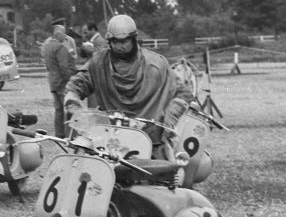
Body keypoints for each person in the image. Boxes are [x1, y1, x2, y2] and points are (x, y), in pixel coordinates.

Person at [64, 14, 193, 146]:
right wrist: (76, 110)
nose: (119, 46)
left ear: (133, 39)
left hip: (150, 140)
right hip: (110, 139)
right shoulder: (98, 63)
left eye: (124, 41)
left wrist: (170, 118)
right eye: (114, 42)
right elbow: (74, 87)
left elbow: (184, 93)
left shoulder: (156, 65)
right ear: (109, 41)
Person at [41, 20, 75, 137]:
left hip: (53, 82)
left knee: (58, 110)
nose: (65, 36)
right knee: (69, 109)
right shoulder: (60, 47)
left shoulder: (47, 47)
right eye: (63, 33)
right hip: (62, 83)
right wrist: (70, 80)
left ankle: (59, 133)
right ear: (58, 34)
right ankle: (69, 134)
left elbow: (47, 65)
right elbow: (64, 67)